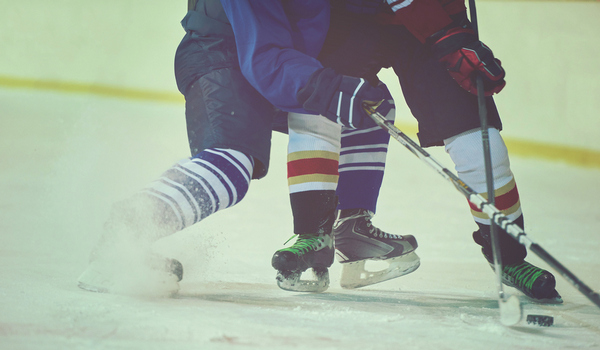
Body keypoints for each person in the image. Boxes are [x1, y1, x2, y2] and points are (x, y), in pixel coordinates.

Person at [77, 0, 419, 295]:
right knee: (232, 163)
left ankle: (351, 227)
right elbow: (264, 53)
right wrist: (324, 86)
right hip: (224, 53)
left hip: (284, 59)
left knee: (368, 106)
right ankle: (123, 236)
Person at [331, 0, 561, 302]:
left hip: (429, 18)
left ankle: (508, 256)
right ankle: (316, 233)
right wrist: (445, 32)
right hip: (351, 17)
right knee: (319, 111)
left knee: (478, 141)